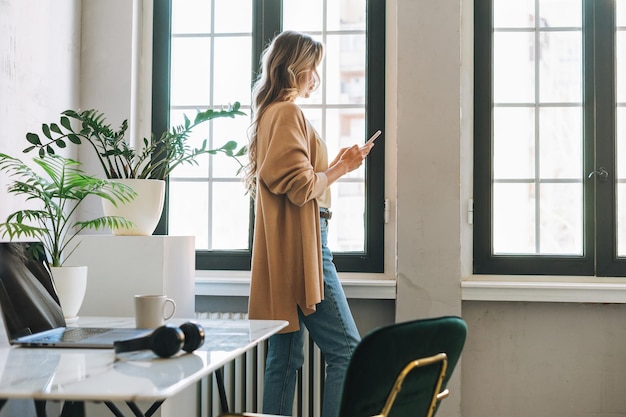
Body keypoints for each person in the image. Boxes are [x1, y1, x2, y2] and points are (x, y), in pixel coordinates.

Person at [244, 30, 376, 417]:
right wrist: (342, 167)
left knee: (284, 359)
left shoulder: (271, 114)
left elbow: (294, 178)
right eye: (312, 68)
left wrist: (333, 165)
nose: (315, 76)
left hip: (287, 244)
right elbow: (301, 188)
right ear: (294, 69)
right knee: (348, 352)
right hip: (304, 244)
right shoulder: (287, 112)